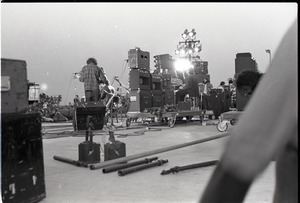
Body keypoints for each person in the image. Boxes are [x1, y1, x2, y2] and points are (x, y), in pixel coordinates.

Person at [199, 20, 297, 203]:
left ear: (249, 84)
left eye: (244, 90)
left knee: (288, 154)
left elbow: (244, 151)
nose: (245, 94)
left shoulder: (271, 87)